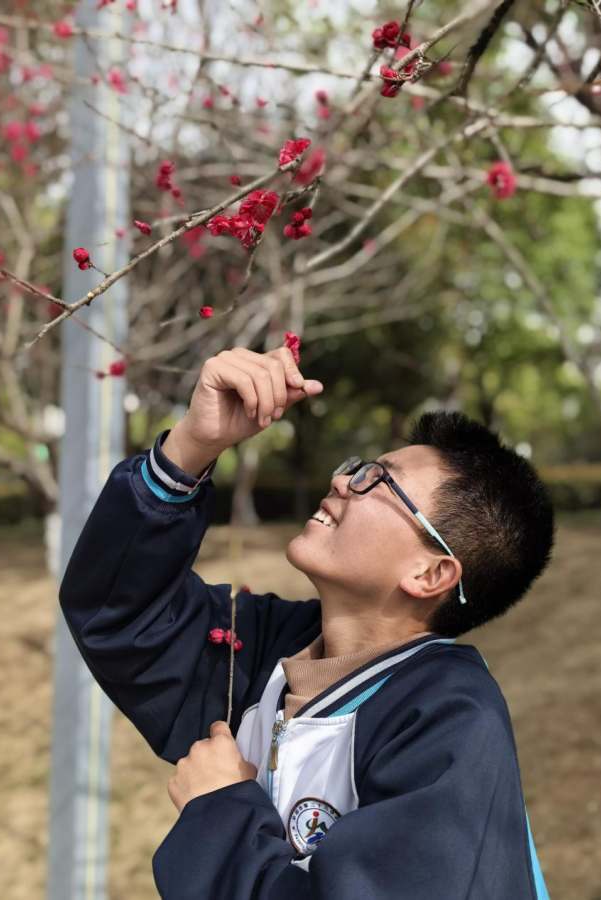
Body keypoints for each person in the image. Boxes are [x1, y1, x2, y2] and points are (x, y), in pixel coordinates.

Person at [59, 345, 556, 899]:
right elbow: (121, 614)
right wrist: (194, 444)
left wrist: (218, 809)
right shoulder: (268, 649)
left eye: (378, 481)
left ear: (430, 573)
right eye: (359, 468)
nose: (343, 481)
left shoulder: (451, 723)